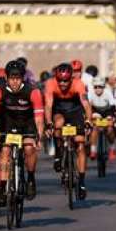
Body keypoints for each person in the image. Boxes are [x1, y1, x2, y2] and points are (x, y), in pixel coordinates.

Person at [0, 60, 45, 202]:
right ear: (6, 78)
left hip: (27, 122)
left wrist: (39, 137)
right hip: (7, 122)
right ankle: (2, 186)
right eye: (12, 78)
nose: (14, 82)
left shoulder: (33, 91)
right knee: (5, 151)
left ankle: (30, 178)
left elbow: (38, 119)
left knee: (29, 148)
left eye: (18, 78)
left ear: (23, 78)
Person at [45, 62, 93, 199]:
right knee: (58, 124)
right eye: (60, 81)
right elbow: (48, 106)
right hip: (58, 109)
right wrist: (49, 123)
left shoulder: (78, 84)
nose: (63, 84)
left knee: (80, 144)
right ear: (56, 78)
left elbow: (86, 104)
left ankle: (82, 182)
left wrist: (88, 121)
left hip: (74, 110)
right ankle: (59, 153)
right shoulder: (50, 84)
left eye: (66, 81)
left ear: (71, 78)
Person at [88, 76, 116, 161]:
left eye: (100, 87)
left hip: (107, 111)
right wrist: (91, 115)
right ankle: (93, 150)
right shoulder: (90, 93)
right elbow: (88, 107)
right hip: (95, 111)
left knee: (109, 129)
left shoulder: (108, 92)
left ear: (103, 87)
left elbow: (112, 106)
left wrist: (111, 116)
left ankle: (112, 148)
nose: (98, 89)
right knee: (94, 128)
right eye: (96, 87)